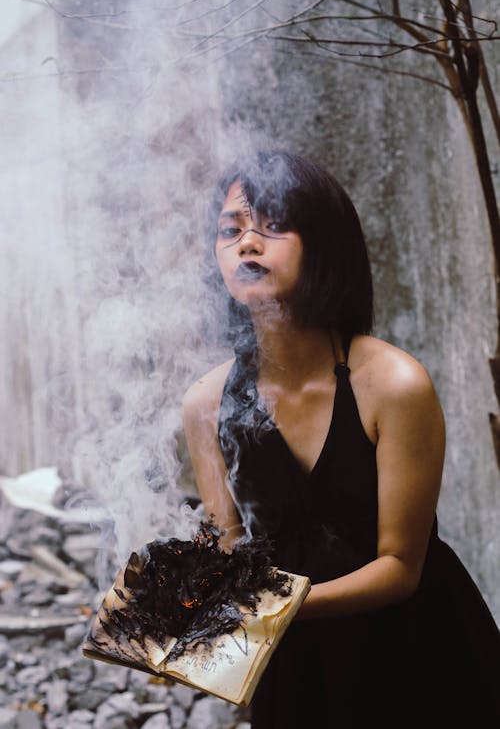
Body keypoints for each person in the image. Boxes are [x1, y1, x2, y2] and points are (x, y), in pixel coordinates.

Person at [182, 151, 500, 727]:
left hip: (418, 656)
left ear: (323, 244)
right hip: (296, 670)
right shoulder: (205, 404)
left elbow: (401, 565)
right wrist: (180, 613)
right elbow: (232, 563)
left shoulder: (393, 384)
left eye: (273, 225)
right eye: (230, 230)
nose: (247, 244)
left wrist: (276, 609)